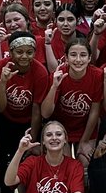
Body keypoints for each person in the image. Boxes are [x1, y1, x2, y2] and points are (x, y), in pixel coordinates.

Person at [0, 32, 48, 193]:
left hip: (27, 121)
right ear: (11, 52)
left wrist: (34, 139)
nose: (24, 56)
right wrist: (3, 82)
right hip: (3, 118)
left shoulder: (40, 72)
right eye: (19, 52)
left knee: (26, 159)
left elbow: (37, 109)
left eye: (29, 52)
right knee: (6, 158)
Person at [40, 36, 102, 167]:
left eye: (83, 55)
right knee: (63, 163)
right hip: (61, 128)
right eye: (73, 55)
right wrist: (54, 87)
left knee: (86, 162)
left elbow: (94, 112)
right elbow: (45, 113)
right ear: (66, 58)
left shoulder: (97, 75)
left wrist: (84, 141)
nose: (78, 60)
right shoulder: (59, 75)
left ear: (90, 58)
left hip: (85, 128)